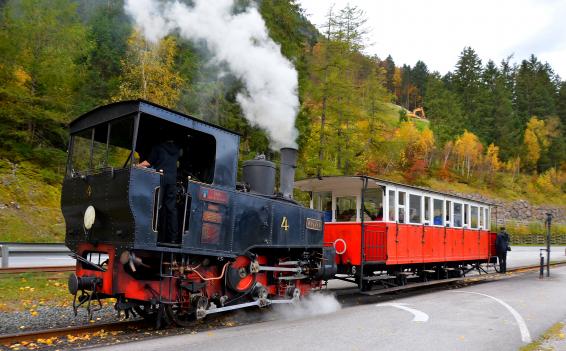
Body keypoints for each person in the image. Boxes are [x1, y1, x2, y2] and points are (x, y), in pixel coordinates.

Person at [139, 139, 181, 244]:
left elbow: (148, 163)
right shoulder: (176, 150)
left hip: (160, 179)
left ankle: (154, 235)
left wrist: (136, 166)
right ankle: (173, 238)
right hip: (172, 181)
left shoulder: (158, 147)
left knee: (156, 206)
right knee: (171, 209)